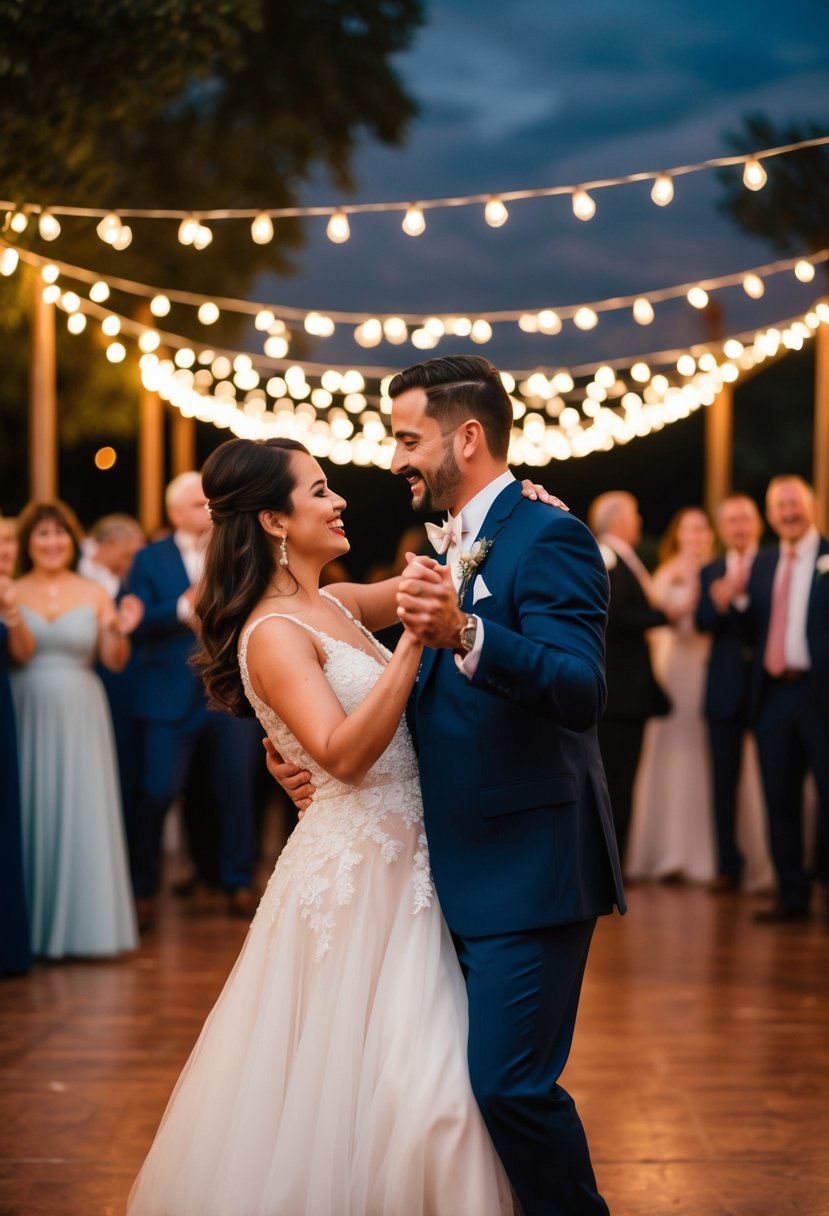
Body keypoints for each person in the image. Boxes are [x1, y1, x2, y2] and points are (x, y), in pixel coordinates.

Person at [127, 437, 515, 1216]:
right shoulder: (271, 633)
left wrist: (508, 508)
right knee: (400, 1088)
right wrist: (411, 640)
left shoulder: (332, 603)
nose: (339, 502)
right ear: (274, 519)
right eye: (319, 490)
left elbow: (437, 580)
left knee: (422, 1085)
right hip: (356, 879)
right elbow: (341, 754)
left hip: (415, 860)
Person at [275, 355, 624, 1215]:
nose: (393, 458)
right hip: (441, 873)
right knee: (445, 1104)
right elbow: (308, 643)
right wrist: (296, 750)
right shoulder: (441, 548)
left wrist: (468, 629)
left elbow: (582, 689)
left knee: (509, 1088)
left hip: (528, 866)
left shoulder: (552, 536)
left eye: (406, 438)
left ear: (466, 437)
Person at [126, 472, 262, 929]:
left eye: (210, 503)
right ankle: (142, 889)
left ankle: (238, 881)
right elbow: (136, 618)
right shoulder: (147, 559)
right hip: (167, 696)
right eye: (195, 504)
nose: (206, 510)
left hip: (228, 692)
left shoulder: (237, 550)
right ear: (173, 512)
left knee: (236, 787)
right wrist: (186, 607)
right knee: (158, 790)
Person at [10, 501, 140, 959]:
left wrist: (122, 629)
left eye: (60, 533)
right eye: (42, 534)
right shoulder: (12, 590)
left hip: (83, 709)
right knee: (28, 806)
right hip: (24, 705)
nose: (52, 542)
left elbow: (113, 661)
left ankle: (83, 929)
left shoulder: (93, 592)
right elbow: (18, 654)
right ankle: (28, 931)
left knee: (79, 807)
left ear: (72, 539)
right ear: (29, 543)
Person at [742, 476, 829, 922]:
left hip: (821, 697)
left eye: (795, 504)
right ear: (771, 514)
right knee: (779, 798)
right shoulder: (764, 562)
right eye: (780, 507)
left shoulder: (828, 556)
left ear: (811, 507)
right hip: (773, 696)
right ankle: (791, 896)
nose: (789, 513)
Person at [626, 506, 717, 882]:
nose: (696, 536)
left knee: (704, 753)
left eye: (702, 529)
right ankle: (663, 850)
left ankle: (706, 850)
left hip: (704, 669)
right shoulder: (665, 574)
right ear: (678, 536)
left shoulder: (718, 571)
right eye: (689, 529)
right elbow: (652, 624)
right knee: (667, 751)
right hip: (673, 668)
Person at [695, 495, 773, 893]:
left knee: (776, 780)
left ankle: (779, 867)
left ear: (757, 523)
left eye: (745, 519)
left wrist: (741, 600)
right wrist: (718, 600)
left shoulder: (773, 563)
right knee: (722, 783)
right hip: (723, 688)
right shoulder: (710, 570)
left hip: (768, 688)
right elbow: (702, 622)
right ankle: (729, 865)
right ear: (723, 528)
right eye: (732, 521)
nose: (739, 527)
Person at [588, 490, 671, 859]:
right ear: (619, 520)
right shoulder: (608, 556)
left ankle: (614, 857)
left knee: (620, 778)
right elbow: (616, 615)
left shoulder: (623, 558)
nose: (639, 521)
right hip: (620, 691)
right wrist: (666, 615)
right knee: (616, 779)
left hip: (626, 691)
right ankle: (610, 861)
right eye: (635, 514)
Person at [0, 512, 34, 975]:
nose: (5, 547)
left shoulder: (12, 593)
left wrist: (11, 611)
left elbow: (23, 653)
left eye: (9, 539)